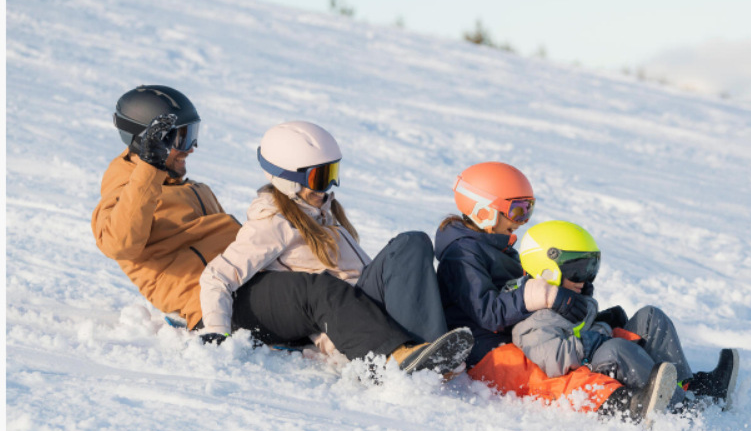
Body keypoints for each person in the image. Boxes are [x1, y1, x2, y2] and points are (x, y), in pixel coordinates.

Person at [92, 85, 471, 376]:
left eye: (192, 134)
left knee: (393, 254)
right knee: (318, 288)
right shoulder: (126, 195)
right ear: (149, 142)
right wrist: (149, 167)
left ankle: (433, 343)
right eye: (180, 138)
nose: (191, 148)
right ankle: (388, 359)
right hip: (218, 303)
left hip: (256, 284)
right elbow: (120, 243)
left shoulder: (191, 188)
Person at [198, 120, 470, 375]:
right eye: (320, 177)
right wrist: (217, 332)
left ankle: (433, 350)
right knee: (407, 245)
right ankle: (405, 357)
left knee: (413, 243)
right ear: (288, 179)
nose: (328, 187)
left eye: (332, 173)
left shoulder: (318, 212)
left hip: (362, 299)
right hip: (350, 319)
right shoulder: (273, 223)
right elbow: (217, 276)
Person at [434, 161, 628, 415]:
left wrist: (572, 301)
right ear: (483, 209)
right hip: (484, 351)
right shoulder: (461, 256)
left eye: (528, 209)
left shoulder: (498, 246)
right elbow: (488, 313)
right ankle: (618, 400)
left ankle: (634, 367)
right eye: (517, 210)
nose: (523, 220)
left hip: (514, 337)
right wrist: (543, 296)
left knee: (563, 357)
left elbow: (517, 292)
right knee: (544, 380)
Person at [513, 220, 739, 422]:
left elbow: (584, 329)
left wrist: (604, 323)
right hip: (584, 370)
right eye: (579, 271)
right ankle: (682, 409)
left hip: (596, 352)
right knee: (616, 348)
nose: (585, 279)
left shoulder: (573, 299)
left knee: (651, 317)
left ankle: (685, 386)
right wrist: (595, 338)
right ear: (546, 271)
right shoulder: (531, 318)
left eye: (591, 269)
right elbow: (554, 358)